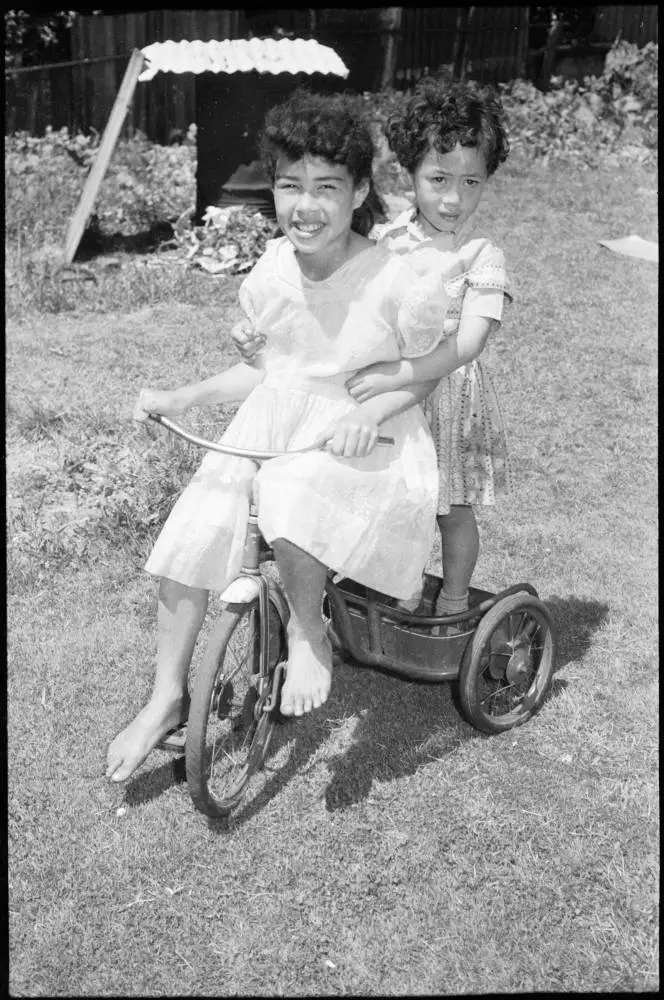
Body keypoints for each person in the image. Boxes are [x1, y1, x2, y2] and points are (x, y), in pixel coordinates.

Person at [106, 90, 450, 783]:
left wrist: (371, 413)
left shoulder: (395, 281)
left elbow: (424, 374)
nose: (305, 205)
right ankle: (167, 696)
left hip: (367, 443)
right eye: (290, 186)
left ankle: (307, 630)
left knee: (288, 487)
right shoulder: (271, 269)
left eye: (327, 188)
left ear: (359, 194)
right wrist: (187, 394)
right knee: (195, 529)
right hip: (279, 423)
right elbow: (269, 371)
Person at [234, 76, 513, 618]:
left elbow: (469, 343)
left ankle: (453, 601)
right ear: (409, 173)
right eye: (438, 179)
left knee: (448, 507)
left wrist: (397, 374)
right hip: (369, 391)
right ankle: (381, 579)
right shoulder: (386, 239)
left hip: (444, 395)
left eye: (472, 182)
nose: (453, 198)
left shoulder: (482, 255)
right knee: (372, 492)